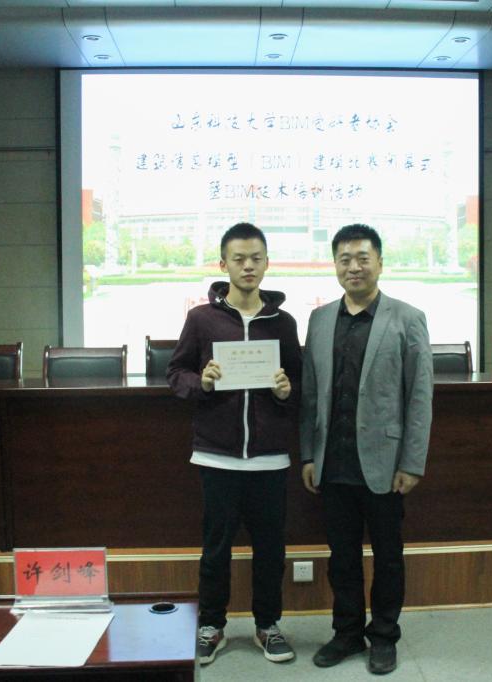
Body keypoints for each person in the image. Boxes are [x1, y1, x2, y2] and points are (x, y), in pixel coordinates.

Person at [300, 224, 433, 675]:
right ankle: (347, 633)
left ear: (379, 262)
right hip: (333, 461)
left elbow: (419, 396)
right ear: (335, 265)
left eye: (362, 258)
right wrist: (308, 454)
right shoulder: (320, 320)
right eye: (345, 259)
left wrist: (412, 462)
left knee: (388, 557)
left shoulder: (407, 318)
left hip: (385, 463)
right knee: (341, 558)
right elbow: (311, 395)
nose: (353, 267)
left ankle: (384, 636)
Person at [167, 222, 302, 666]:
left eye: (256, 258)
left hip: (269, 458)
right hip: (217, 454)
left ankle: (268, 625)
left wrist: (286, 391)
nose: (248, 266)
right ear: (223, 264)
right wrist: (201, 382)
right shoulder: (201, 319)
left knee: (271, 550)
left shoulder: (283, 322)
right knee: (215, 549)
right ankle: (212, 626)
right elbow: (176, 374)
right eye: (239, 259)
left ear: (267, 263)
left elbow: (300, 383)